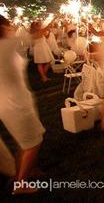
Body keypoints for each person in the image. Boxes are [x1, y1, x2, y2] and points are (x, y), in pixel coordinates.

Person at [0, 15, 46, 194]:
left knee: (26, 140)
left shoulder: (8, 46)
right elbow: (36, 34)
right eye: (9, 26)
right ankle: (20, 184)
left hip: (11, 103)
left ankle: (27, 170)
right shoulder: (6, 45)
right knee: (32, 143)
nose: (12, 28)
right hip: (15, 105)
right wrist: (49, 20)